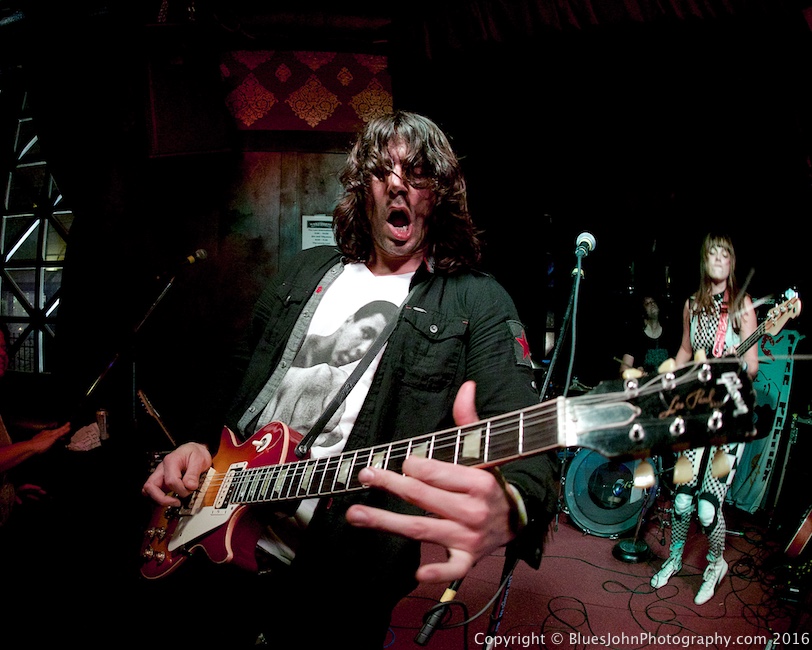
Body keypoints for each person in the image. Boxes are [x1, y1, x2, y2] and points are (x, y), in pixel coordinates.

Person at [141, 111, 559, 648]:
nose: (398, 184)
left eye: (417, 172)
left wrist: (515, 502)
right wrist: (197, 442)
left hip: (341, 573)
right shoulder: (306, 270)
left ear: (439, 195)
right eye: (383, 170)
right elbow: (237, 369)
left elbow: (522, 422)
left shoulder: (475, 300)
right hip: (217, 529)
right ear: (365, 190)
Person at [650, 232, 758, 605]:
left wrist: (733, 362)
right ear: (704, 260)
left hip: (729, 418)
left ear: (732, 262)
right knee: (682, 501)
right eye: (712, 253)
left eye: (725, 254)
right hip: (696, 412)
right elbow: (685, 349)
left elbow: (753, 367)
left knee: (708, 507)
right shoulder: (692, 306)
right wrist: (669, 375)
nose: (718, 259)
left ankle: (715, 563)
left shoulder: (743, 305)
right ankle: (675, 558)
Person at [619, 293, 677, 377]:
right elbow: (623, 372)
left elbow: (679, 361)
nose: (651, 304)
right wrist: (636, 374)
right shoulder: (635, 337)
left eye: (653, 301)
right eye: (647, 303)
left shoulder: (670, 333)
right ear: (642, 311)